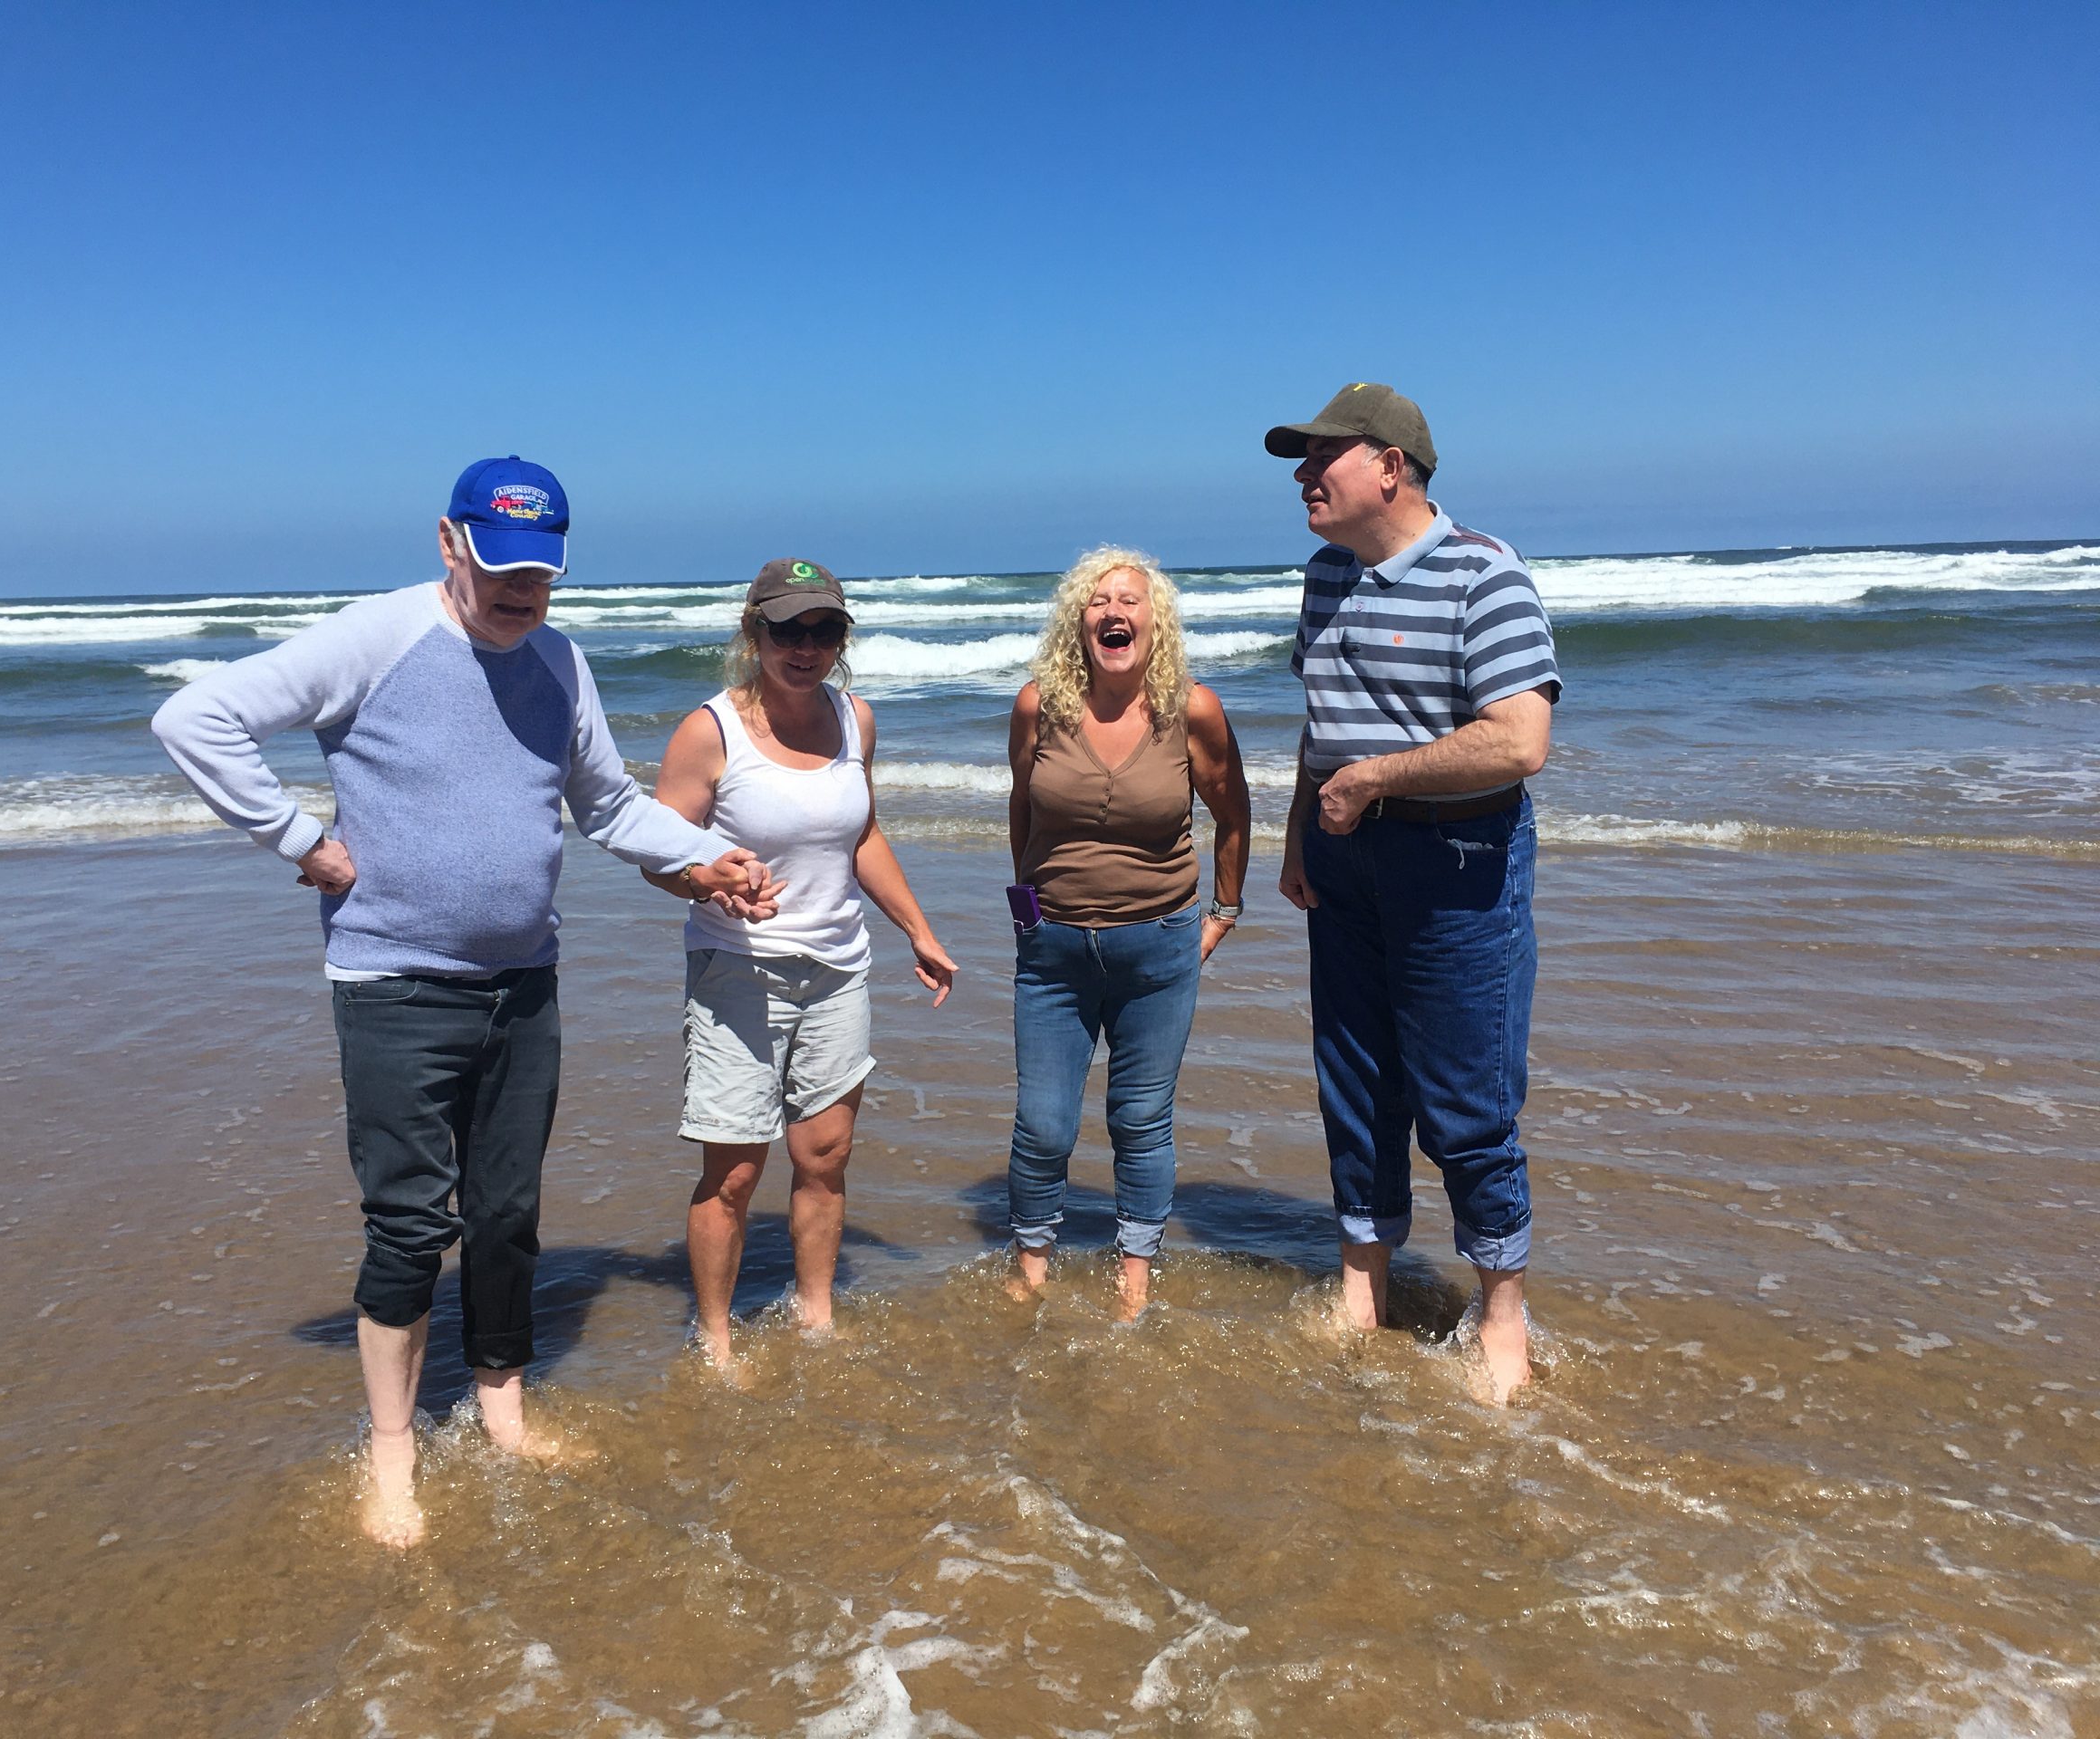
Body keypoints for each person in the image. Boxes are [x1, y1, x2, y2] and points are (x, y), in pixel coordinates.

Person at [152, 456, 774, 1546]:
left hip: (522, 983)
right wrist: (298, 839)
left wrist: (708, 855)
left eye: (539, 569)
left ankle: (501, 1408)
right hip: (392, 984)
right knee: (406, 1226)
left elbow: (609, 806)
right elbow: (196, 719)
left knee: (506, 1214)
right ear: (449, 543)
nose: (520, 589)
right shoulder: (377, 637)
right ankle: (391, 1449)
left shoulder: (559, 661)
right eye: (498, 565)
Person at [1265, 383, 1560, 1405]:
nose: (1303, 476)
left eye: (1322, 458)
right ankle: (1363, 1286)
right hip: (1343, 861)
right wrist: (1301, 831)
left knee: (1465, 1099)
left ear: (1388, 465)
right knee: (1353, 1075)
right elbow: (1321, 720)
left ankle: (1503, 1313)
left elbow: (1519, 741)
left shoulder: (1485, 574)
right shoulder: (1321, 576)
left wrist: (1378, 778)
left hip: (1457, 863)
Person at [644, 559, 957, 1368]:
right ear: (754, 633)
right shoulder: (709, 730)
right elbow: (656, 850)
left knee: (825, 1157)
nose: (805, 646)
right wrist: (706, 879)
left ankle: (815, 1318)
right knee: (736, 1173)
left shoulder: (857, 719)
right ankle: (714, 1340)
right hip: (737, 975)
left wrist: (916, 929)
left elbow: (862, 836)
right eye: (788, 630)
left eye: (824, 631)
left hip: (838, 972)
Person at [1004, 547, 1250, 1317]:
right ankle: (1031, 1272)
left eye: (1131, 601)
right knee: (1043, 1125)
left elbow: (1233, 815)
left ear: (1155, 622)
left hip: (1160, 947)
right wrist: (1026, 917)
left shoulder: (1193, 711)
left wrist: (1222, 914)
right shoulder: (1038, 706)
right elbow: (1022, 813)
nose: (1115, 611)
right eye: (1098, 601)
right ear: (1079, 624)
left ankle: (1133, 1276)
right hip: (1054, 953)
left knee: (1140, 1120)